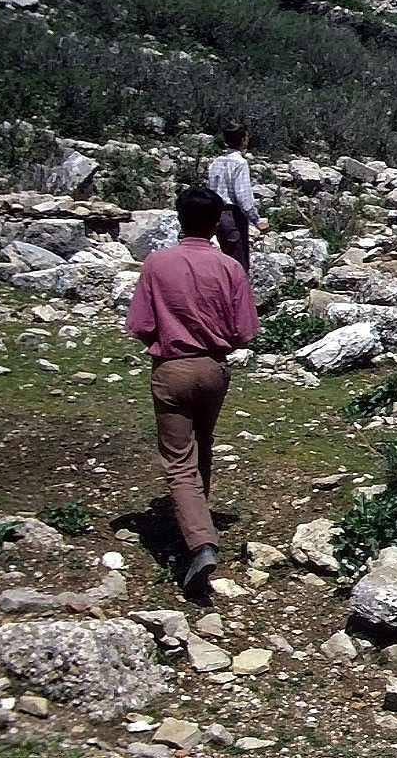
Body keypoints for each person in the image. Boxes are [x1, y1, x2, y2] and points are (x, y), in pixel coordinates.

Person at [125, 186, 260, 596]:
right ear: (216, 222)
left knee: (178, 460)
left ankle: (200, 542)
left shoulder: (157, 263)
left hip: (172, 368)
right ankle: (197, 517)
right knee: (204, 444)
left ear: (179, 217)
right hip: (213, 369)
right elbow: (244, 332)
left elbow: (141, 325)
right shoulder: (230, 268)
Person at [205, 120, 268, 273]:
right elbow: (243, 197)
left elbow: (210, 190)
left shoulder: (216, 162)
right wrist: (256, 220)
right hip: (233, 216)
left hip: (216, 215)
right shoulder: (240, 163)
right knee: (238, 264)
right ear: (243, 140)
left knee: (225, 260)